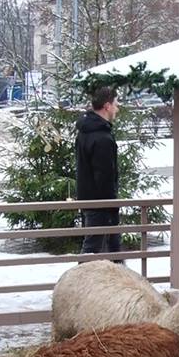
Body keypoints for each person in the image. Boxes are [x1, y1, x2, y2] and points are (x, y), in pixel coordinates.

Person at [75, 86, 121, 254]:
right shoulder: (102, 137)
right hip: (101, 204)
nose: (117, 109)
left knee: (97, 246)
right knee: (97, 248)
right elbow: (105, 176)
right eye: (115, 104)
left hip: (88, 200)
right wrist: (112, 206)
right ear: (107, 106)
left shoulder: (85, 132)